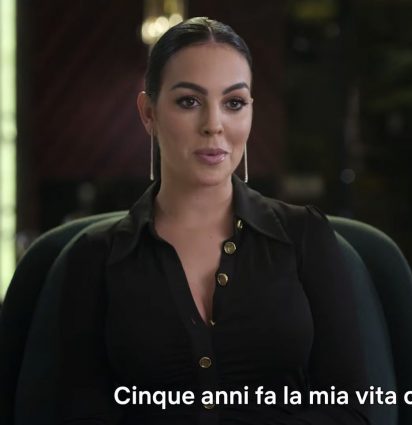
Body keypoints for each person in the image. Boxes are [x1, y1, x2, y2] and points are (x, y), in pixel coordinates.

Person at [55, 17, 370, 425]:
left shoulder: (305, 237)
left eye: (234, 103)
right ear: (149, 113)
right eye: (189, 101)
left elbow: (352, 411)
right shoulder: (95, 257)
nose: (214, 125)